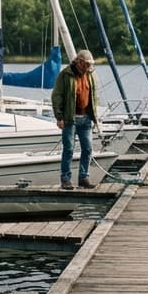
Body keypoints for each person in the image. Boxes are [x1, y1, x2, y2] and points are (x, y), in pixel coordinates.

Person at [51, 49, 99, 190]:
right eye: (86, 64)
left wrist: (95, 117)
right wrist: (59, 117)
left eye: (90, 64)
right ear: (79, 62)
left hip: (86, 119)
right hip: (69, 119)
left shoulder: (90, 75)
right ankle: (66, 179)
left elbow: (94, 96)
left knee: (88, 149)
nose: (88, 67)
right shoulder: (65, 75)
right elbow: (57, 96)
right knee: (69, 149)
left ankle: (83, 178)